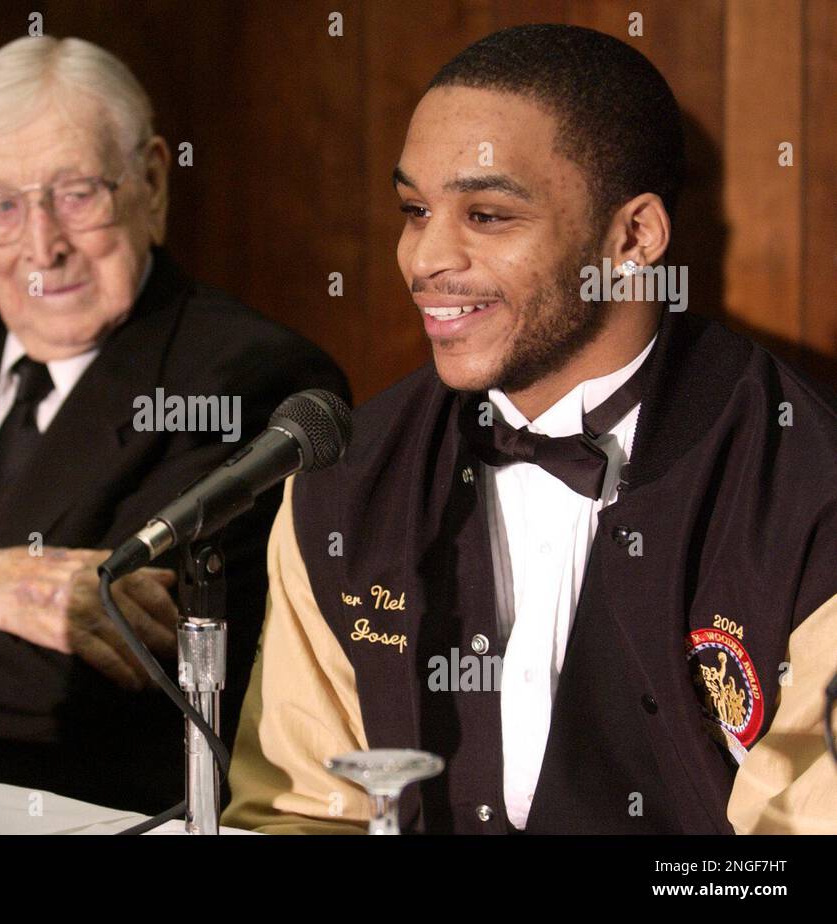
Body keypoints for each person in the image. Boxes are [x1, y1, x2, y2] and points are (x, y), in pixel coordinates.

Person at [223, 24, 837, 834]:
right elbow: (298, 811)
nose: (425, 258)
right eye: (414, 210)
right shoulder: (343, 479)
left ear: (633, 238)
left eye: (486, 214)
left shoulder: (806, 486)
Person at [0, 36, 349, 813]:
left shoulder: (247, 379)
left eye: (77, 194)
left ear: (150, 179)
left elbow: (84, 682)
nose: (42, 247)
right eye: (2, 206)